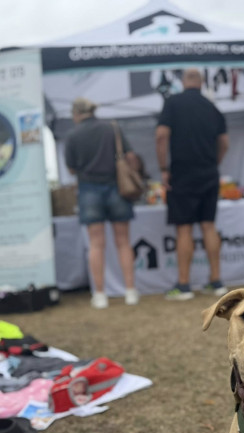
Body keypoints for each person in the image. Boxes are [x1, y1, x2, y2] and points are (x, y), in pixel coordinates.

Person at [155, 68, 230, 300]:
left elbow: (161, 136)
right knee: (209, 225)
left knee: (184, 228)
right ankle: (216, 281)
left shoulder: (172, 103)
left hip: (182, 173)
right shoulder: (213, 108)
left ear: (183, 81)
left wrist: (163, 169)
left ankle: (184, 285)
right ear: (201, 82)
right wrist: (214, 163)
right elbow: (224, 143)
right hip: (209, 173)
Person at [64, 97, 139, 309]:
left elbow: (71, 168)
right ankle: (130, 291)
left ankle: (99, 294)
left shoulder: (72, 135)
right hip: (117, 187)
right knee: (123, 241)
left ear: (76, 114)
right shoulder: (111, 128)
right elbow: (130, 156)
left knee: (96, 244)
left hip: (88, 189)